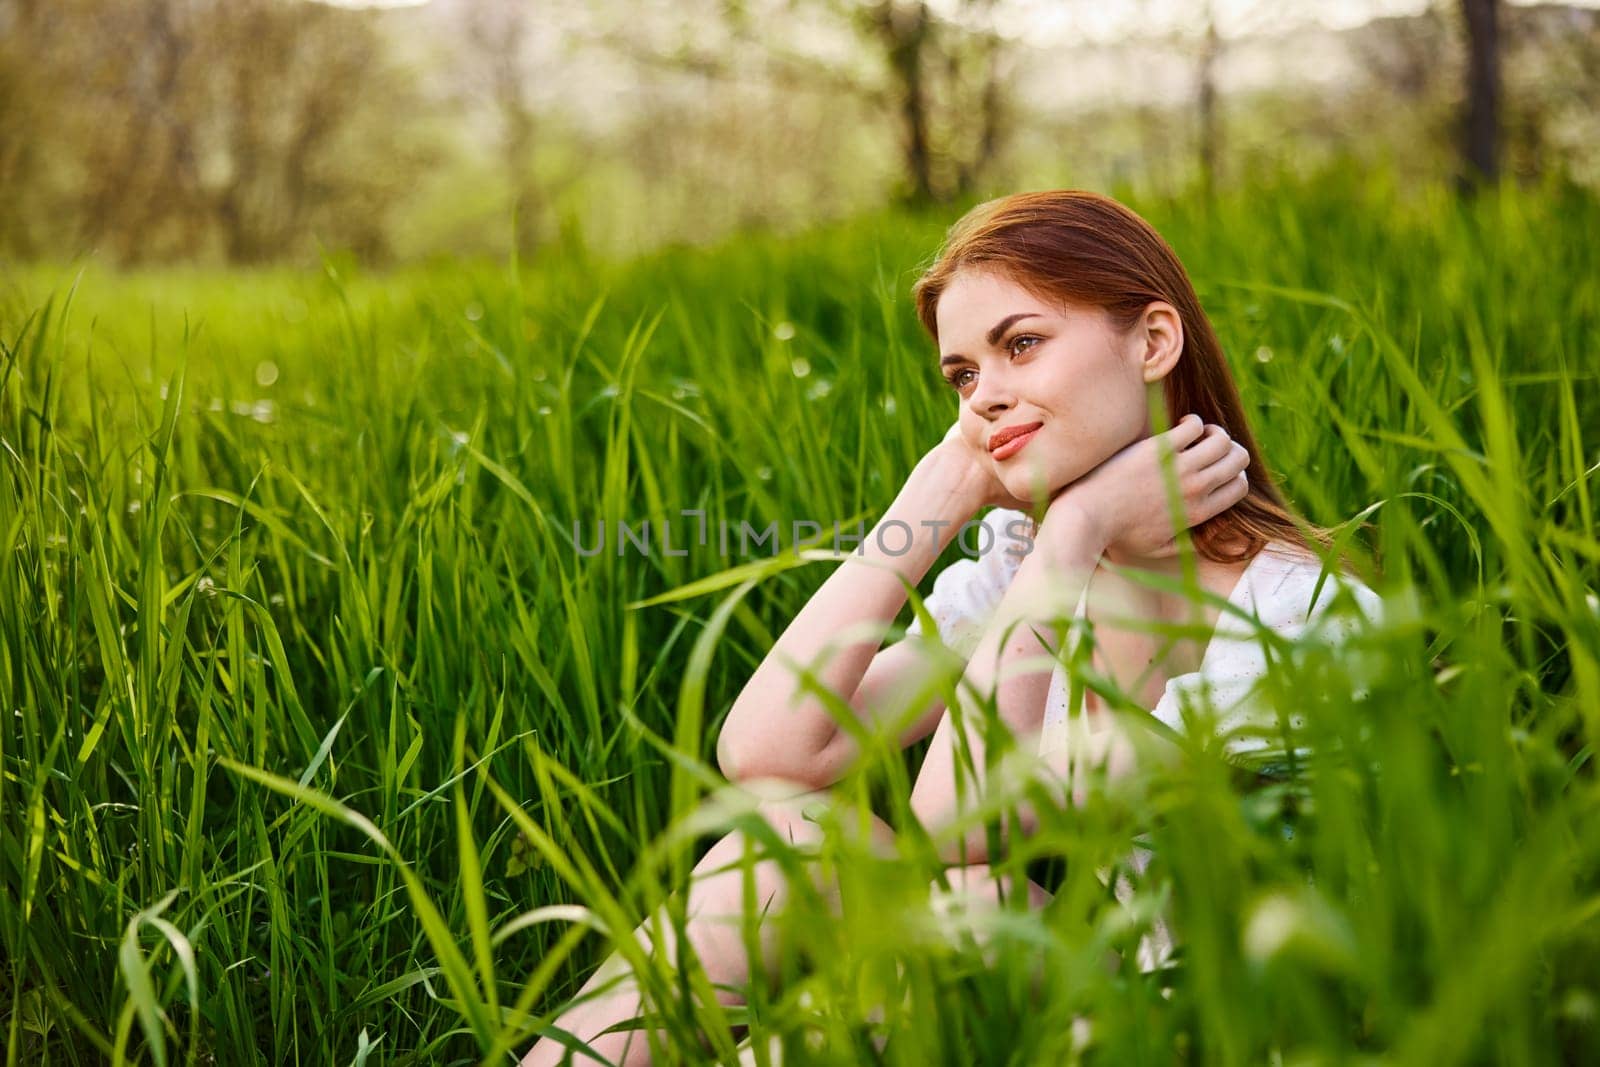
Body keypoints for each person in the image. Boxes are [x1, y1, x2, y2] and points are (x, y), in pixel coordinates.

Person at [521, 190, 1383, 1065]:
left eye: (1022, 345)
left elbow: (959, 823)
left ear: (1153, 342)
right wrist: (935, 496)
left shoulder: (1301, 617)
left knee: (967, 912)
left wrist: (1076, 535)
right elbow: (769, 751)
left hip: (1240, 1031)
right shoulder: (1031, 565)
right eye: (963, 376)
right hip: (1101, 994)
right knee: (788, 835)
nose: (985, 400)